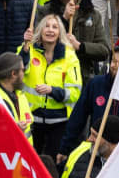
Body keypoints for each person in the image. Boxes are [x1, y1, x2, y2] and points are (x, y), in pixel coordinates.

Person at [19, 14, 82, 160]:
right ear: (40, 30)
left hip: (58, 122)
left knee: (51, 165)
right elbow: (17, 72)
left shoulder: (70, 56)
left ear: (60, 32)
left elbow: (75, 93)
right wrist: (25, 48)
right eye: (46, 26)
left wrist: (52, 91)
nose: (50, 30)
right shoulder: (28, 49)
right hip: (31, 120)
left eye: (54, 27)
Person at [36, 0, 109, 83]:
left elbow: (104, 51)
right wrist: (63, 19)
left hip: (82, 79)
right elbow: (36, 44)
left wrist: (80, 47)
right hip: (51, 79)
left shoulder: (93, 14)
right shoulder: (44, 11)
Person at [59, 48, 119, 160]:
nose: (115, 66)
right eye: (113, 61)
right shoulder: (96, 84)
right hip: (96, 151)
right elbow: (78, 117)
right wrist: (64, 149)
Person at [0, 52, 33, 142]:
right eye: (23, 70)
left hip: (22, 153)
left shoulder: (18, 94)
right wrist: (14, 131)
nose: (24, 73)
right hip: (10, 154)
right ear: (13, 74)